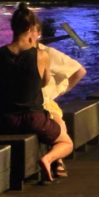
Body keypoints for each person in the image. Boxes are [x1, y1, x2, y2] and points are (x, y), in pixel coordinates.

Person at [0, 3, 73, 181]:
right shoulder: (40, 55)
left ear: (13, 27)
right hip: (34, 118)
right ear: (31, 29)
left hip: (5, 119)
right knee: (66, 142)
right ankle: (48, 159)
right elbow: (44, 82)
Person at [38, 42, 87, 178]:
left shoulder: (45, 53)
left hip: (41, 104)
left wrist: (58, 92)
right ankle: (57, 160)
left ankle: (57, 160)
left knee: (59, 123)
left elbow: (79, 70)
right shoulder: (42, 52)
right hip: (41, 105)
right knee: (59, 125)